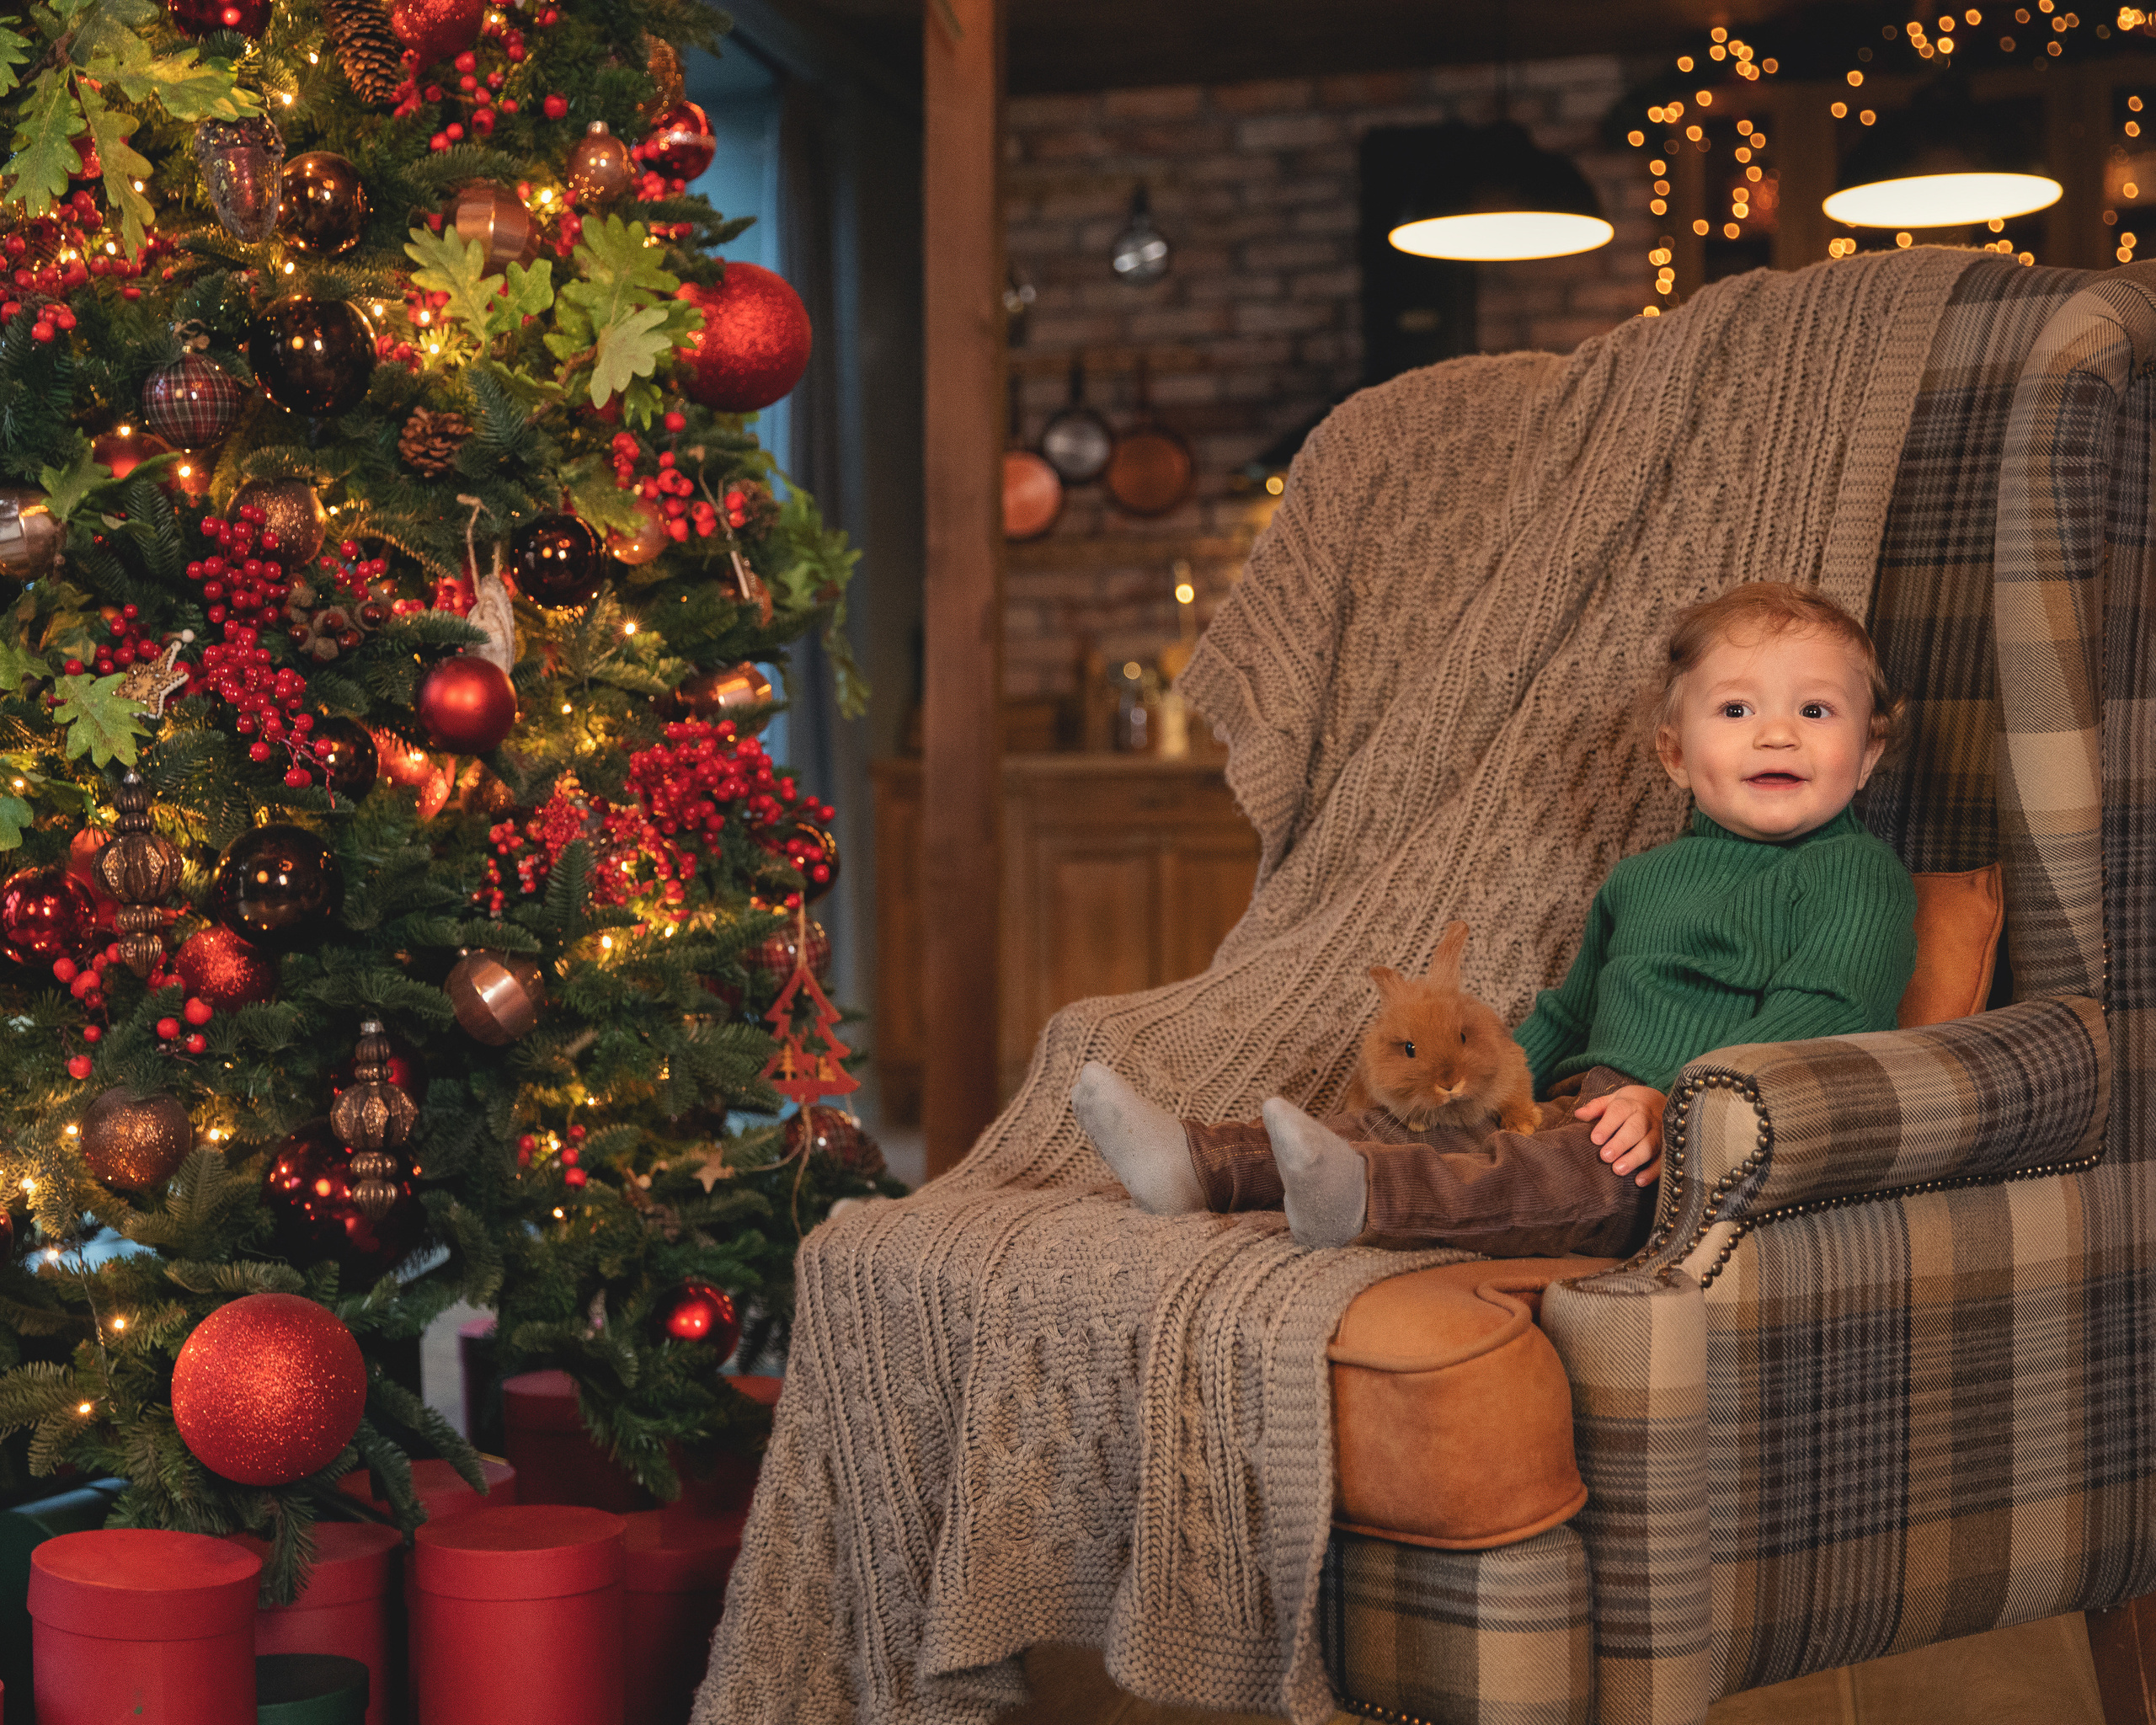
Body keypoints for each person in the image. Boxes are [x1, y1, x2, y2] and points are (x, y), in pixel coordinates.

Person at [1071, 581, 1919, 1255]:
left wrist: (1681, 1103)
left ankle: (1364, 1201)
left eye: (1815, 711)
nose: (1777, 734)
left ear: (1869, 750)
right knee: (1420, 1120)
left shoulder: (1851, 870)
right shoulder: (1644, 877)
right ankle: (1199, 1165)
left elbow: (1827, 1015)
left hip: (1684, 1148)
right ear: (1673, 752)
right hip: (1580, 1103)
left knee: (1552, 1174)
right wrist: (1487, 1088)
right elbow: (1565, 1012)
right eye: (1736, 711)